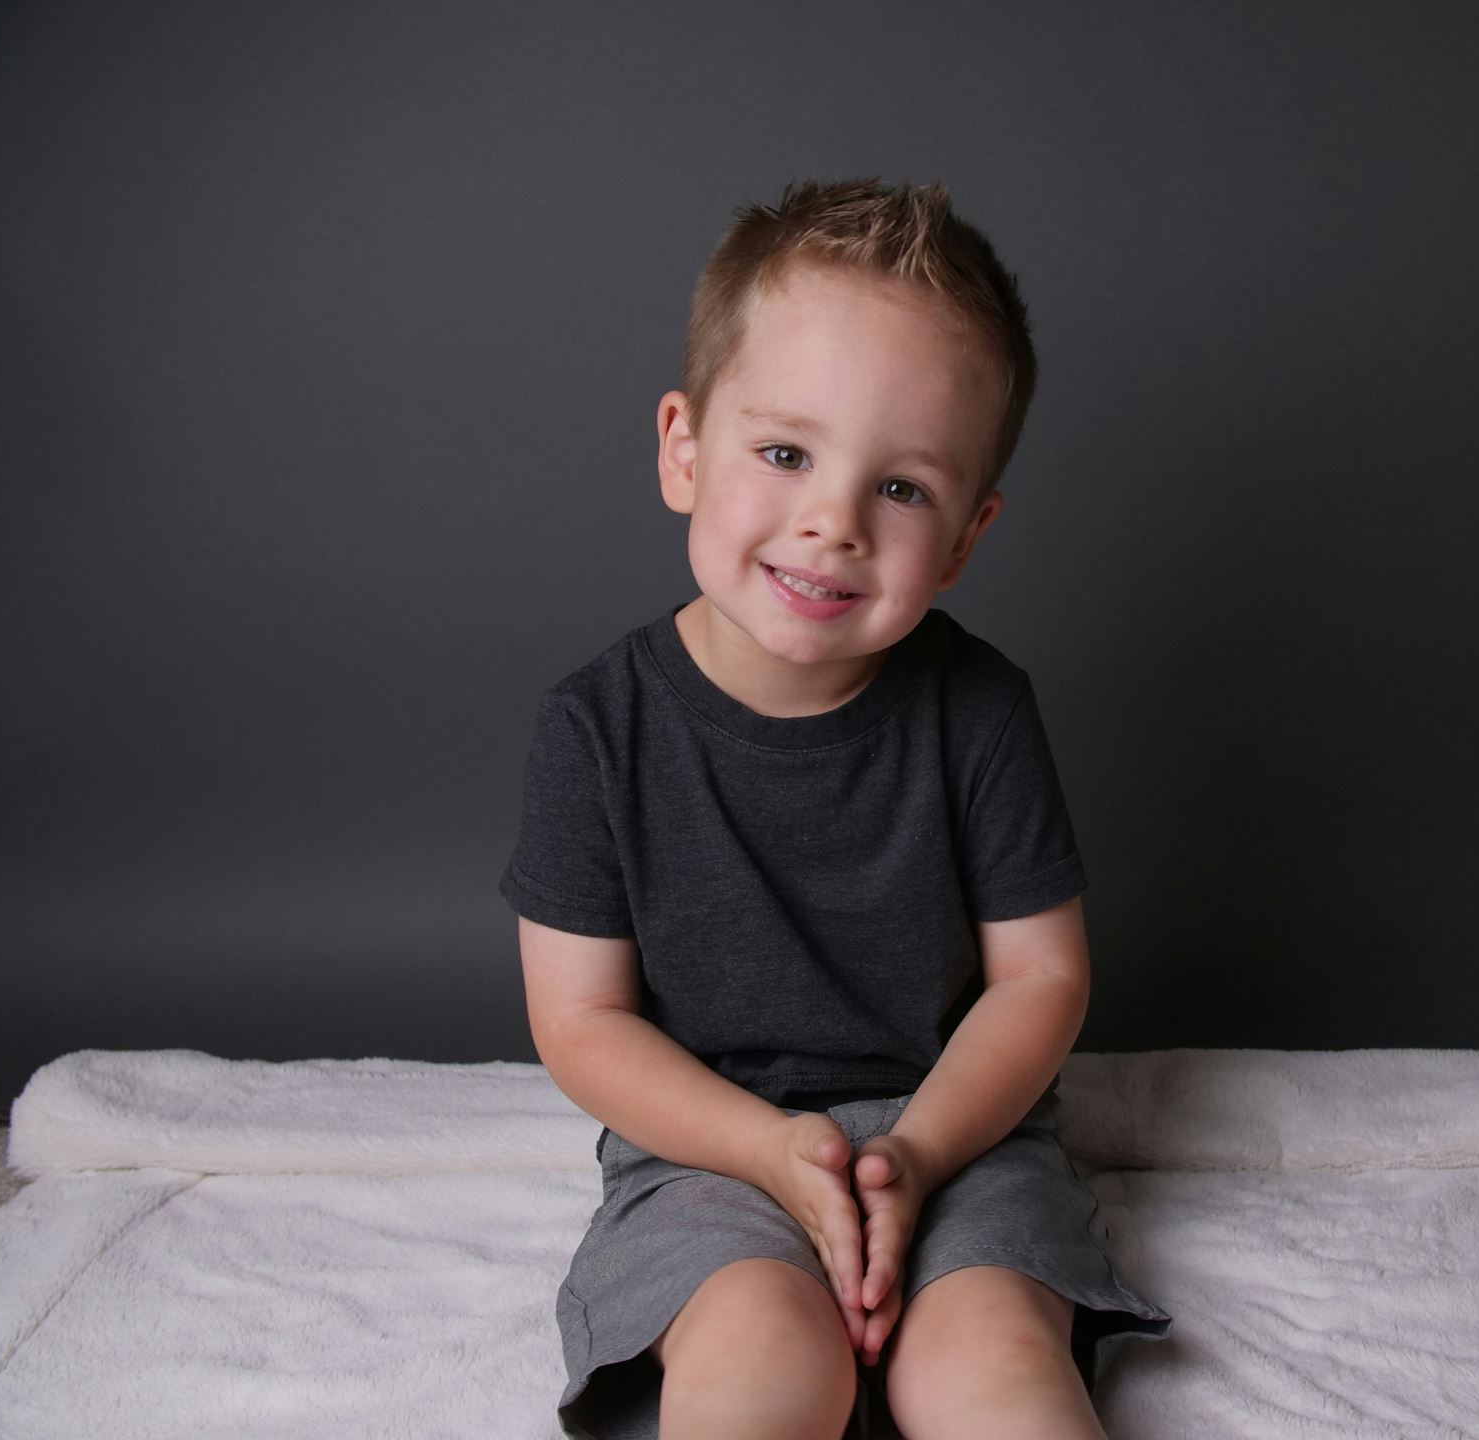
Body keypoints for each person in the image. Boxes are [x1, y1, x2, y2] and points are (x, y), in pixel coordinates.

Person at [500, 177, 1172, 1440]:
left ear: (966, 538)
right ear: (683, 448)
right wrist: (768, 1153)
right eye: (786, 453)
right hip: (708, 1149)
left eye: (903, 490)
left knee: (993, 1374)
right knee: (757, 1365)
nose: (833, 522)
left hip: (960, 1134)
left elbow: (1042, 982)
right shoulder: (596, 728)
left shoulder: (979, 710)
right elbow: (581, 1022)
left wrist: (914, 1156)